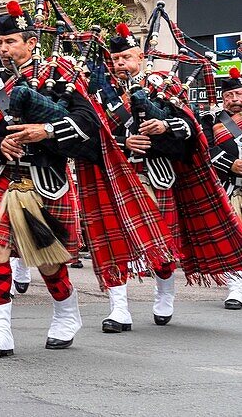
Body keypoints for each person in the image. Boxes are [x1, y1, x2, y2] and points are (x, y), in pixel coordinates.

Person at [0, 1, 100, 358]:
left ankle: (67, 314)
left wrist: (46, 130)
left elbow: (88, 124)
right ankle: (0, 332)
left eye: (10, 41)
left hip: (45, 177)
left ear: (31, 42)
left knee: (48, 261)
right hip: (2, 176)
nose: (3, 48)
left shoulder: (61, 76)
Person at [100, 24, 242, 330]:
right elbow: (93, 133)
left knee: (165, 249)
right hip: (120, 175)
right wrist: (124, 142)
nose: (121, 64)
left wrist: (164, 127)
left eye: (126, 57)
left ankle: (164, 293)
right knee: (116, 244)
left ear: (140, 56)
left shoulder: (162, 84)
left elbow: (189, 128)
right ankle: (118, 309)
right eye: (116, 59)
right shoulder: (103, 92)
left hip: (158, 174)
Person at [207, 67, 242, 309]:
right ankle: (236, 287)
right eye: (229, 96)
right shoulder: (211, 120)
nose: (235, 100)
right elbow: (205, 149)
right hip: (230, 187)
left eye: (239, 94)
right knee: (235, 238)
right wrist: (232, 164)